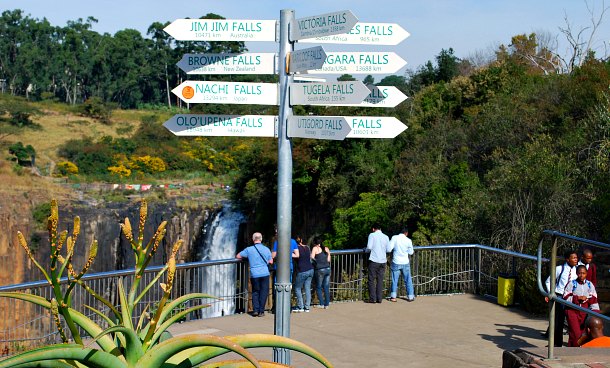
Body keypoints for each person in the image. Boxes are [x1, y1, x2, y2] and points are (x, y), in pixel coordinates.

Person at [543, 249, 578, 346]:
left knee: (573, 322)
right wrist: (551, 293)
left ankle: (574, 343)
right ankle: (556, 344)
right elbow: (548, 281)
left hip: (571, 298)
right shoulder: (559, 269)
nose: (576, 260)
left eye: (576, 258)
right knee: (558, 322)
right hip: (560, 296)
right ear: (567, 259)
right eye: (573, 258)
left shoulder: (578, 270)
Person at [236, 232, 273, 317]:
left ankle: (255, 310)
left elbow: (238, 256)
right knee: (264, 292)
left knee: (255, 292)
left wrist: (248, 257)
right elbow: (271, 261)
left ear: (253, 240)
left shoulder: (249, 249)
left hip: (254, 274)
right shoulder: (266, 249)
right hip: (264, 273)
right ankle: (261, 311)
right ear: (261, 239)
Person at [563, 264, 600, 346]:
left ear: (586, 274)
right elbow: (565, 297)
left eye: (583, 273)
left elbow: (594, 299)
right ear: (576, 273)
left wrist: (595, 313)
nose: (581, 275)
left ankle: (572, 348)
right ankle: (574, 350)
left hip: (584, 312)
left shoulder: (590, 285)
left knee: (583, 334)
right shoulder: (572, 284)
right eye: (580, 273)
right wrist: (577, 298)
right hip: (572, 311)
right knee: (575, 333)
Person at [387, 227, 415, 302]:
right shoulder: (408, 240)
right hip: (405, 262)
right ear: (406, 233)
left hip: (396, 261)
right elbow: (411, 252)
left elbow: (389, 249)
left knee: (394, 280)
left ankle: (393, 297)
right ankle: (410, 296)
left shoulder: (394, 238)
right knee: (408, 280)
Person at [366, 224, 390, 304]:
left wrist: (365, 250)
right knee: (380, 280)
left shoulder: (372, 235)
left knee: (371, 280)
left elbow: (369, 247)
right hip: (383, 261)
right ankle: (379, 298)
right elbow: (388, 249)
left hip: (374, 260)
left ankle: (373, 298)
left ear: (373, 229)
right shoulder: (386, 237)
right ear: (380, 228)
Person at [293, 236, 314, 312]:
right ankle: (307, 307)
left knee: (297, 288)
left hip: (302, 270)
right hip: (310, 269)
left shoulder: (296, 249)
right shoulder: (307, 248)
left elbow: (295, 256)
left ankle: (300, 306)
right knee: (307, 288)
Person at [311, 237, 331, 309]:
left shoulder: (315, 248)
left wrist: (316, 263)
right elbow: (328, 260)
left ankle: (322, 303)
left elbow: (312, 258)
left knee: (318, 287)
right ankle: (327, 304)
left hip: (320, 269)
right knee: (326, 286)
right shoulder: (326, 248)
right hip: (327, 268)